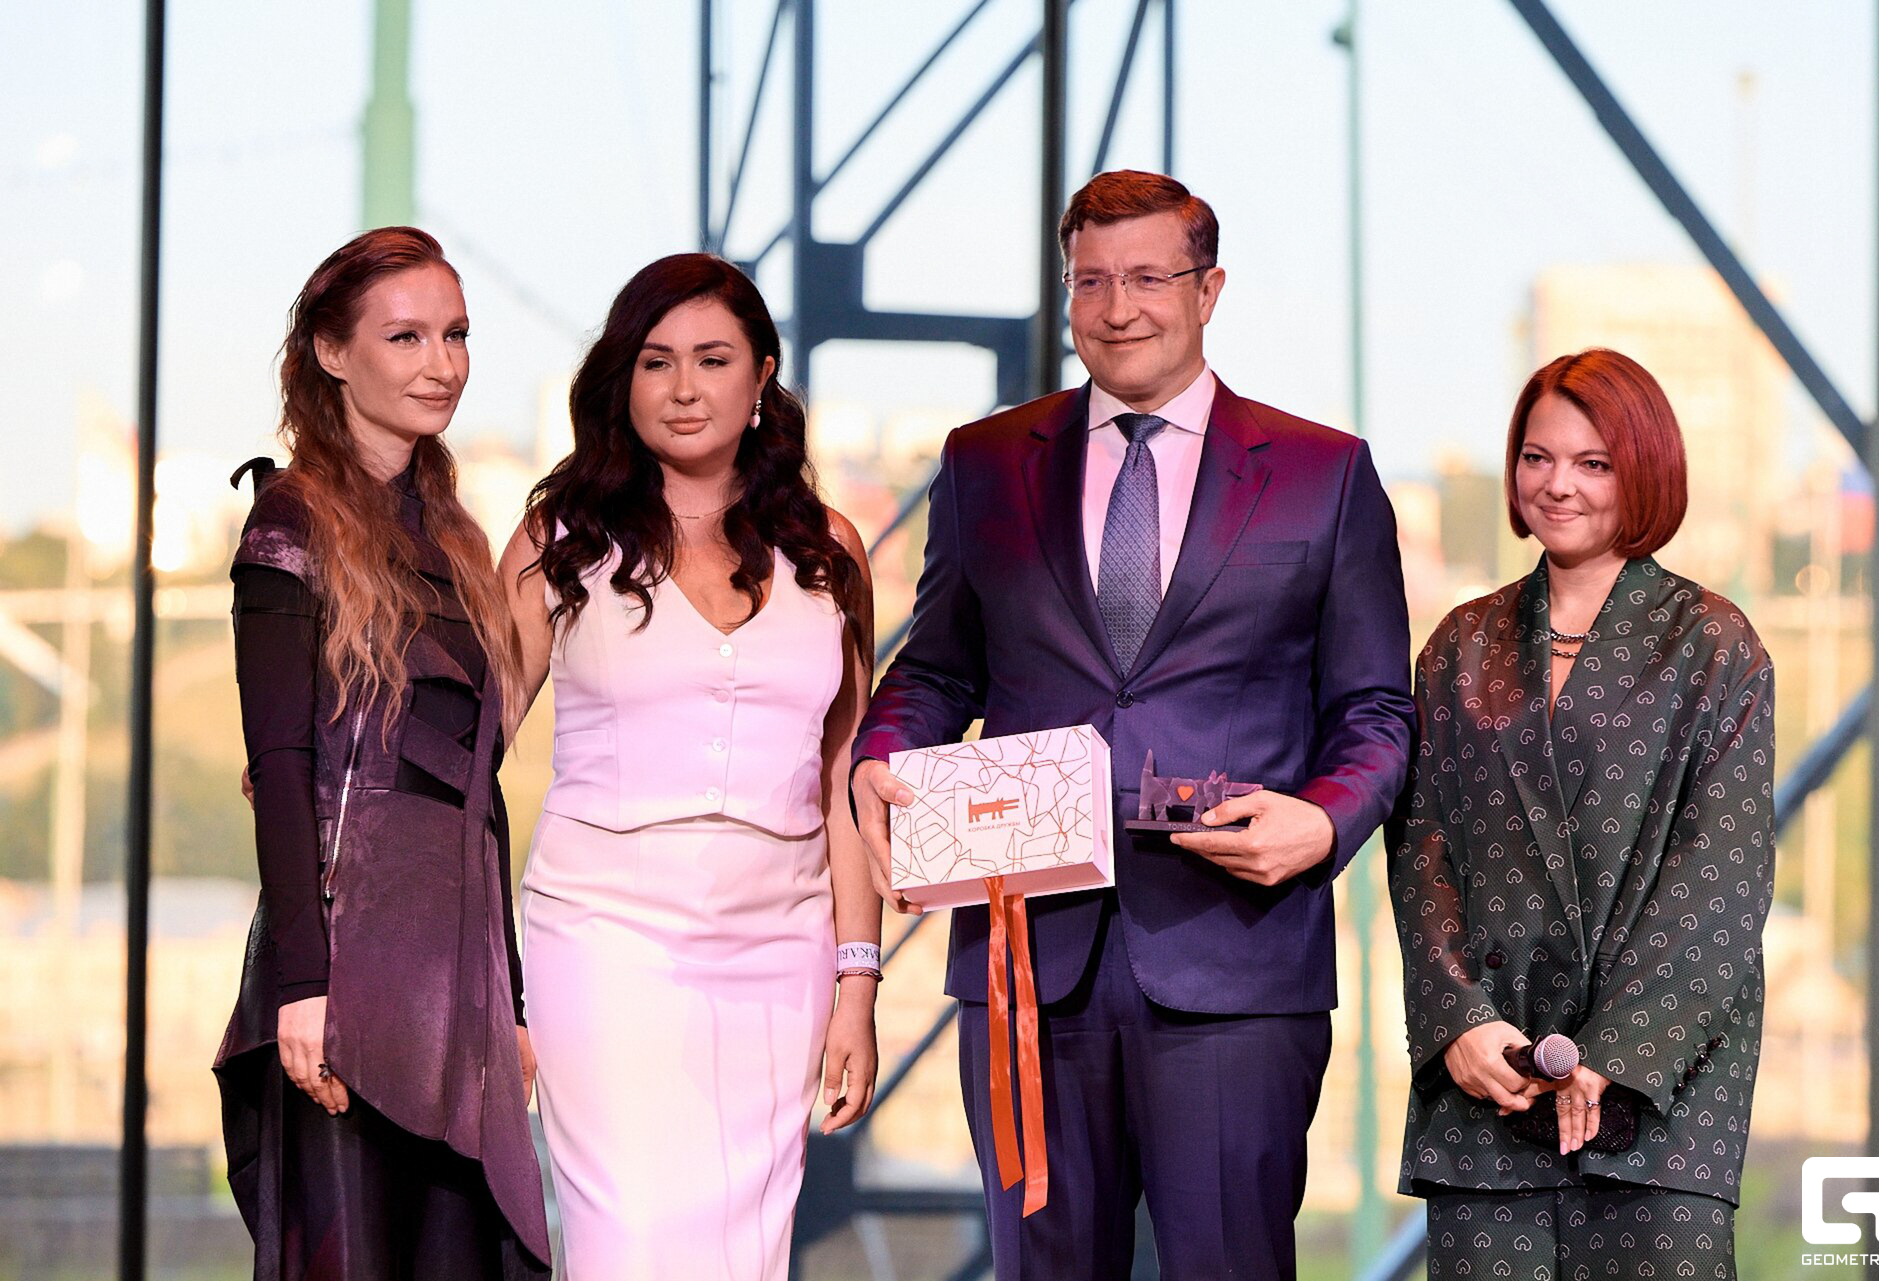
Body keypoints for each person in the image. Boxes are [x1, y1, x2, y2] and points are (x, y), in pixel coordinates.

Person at [850, 170, 1415, 1278]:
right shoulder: (983, 462)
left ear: (1209, 289)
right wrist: (882, 752)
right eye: (1091, 282)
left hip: (1237, 957)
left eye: (1149, 278)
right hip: (1026, 958)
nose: (1118, 309)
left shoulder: (1325, 473)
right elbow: (939, 670)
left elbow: (1374, 710)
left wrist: (1321, 822)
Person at [498, 253, 881, 1281]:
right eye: (656, 360)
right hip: (601, 939)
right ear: (621, 381)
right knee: (627, 1242)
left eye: (712, 359)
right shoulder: (557, 542)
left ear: (761, 378)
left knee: (745, 1252)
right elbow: (465, 744)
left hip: (781, 952)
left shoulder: (829, 550)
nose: (683, 387)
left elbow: (845, 780)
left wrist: (857, 979)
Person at [1388, 347, 1774, 1274]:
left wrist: (1615, 1051)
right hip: (1493, 1088)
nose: (1558, 484)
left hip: (1660, 1100)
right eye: (1537, 457)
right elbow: (1420, 847)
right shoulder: (1460, 643)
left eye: (1592, 463)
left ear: (1644, 472)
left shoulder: (1714, 644)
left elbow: (1720, 880)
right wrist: (1458, 1021)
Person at [213, 227, 550, 1280]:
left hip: (453, 983)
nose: (441, 363)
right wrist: (301, 987)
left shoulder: (457, 536)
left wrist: (509, 1000)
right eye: (406, 337)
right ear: (331, 351)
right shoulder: (289, 521)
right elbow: (280, 765)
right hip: (345, 973)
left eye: (456, 334)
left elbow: (479, 796)